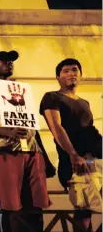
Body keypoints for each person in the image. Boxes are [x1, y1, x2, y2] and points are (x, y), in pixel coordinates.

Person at [0, 50, 50, 232]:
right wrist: (6, 132)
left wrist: (44, 156)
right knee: (12, 204)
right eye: (4, 60)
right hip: (6, 151)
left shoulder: (23, 90)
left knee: (35, 202)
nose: (9, 63)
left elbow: (32, 125)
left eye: (11, 61)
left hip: (33, 151)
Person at [40, 58, 102, 232]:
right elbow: (56, 127)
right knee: (84, 210)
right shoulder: (52, 97)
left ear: (80, 75)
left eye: (74, 70)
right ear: (58, 77)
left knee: (89, 209)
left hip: (96, 157)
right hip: (75, 162)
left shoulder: (85, 102)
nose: (71, 74)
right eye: (65, 71)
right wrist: (73, 154)